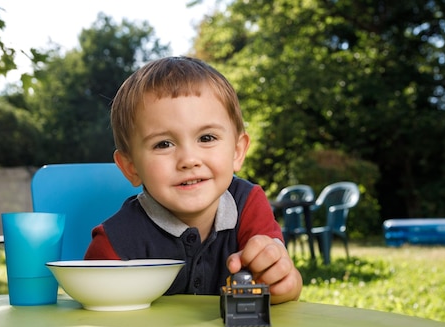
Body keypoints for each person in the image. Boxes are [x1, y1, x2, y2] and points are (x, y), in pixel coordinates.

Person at [85, 56, 302, 304]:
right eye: (163, 144)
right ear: (131, 167)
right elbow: (95, 315)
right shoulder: (114, 243)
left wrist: (284, 282)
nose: (189, 159)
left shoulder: (249, 204)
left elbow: (284, 286)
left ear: (237, 151)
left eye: (207, 138)